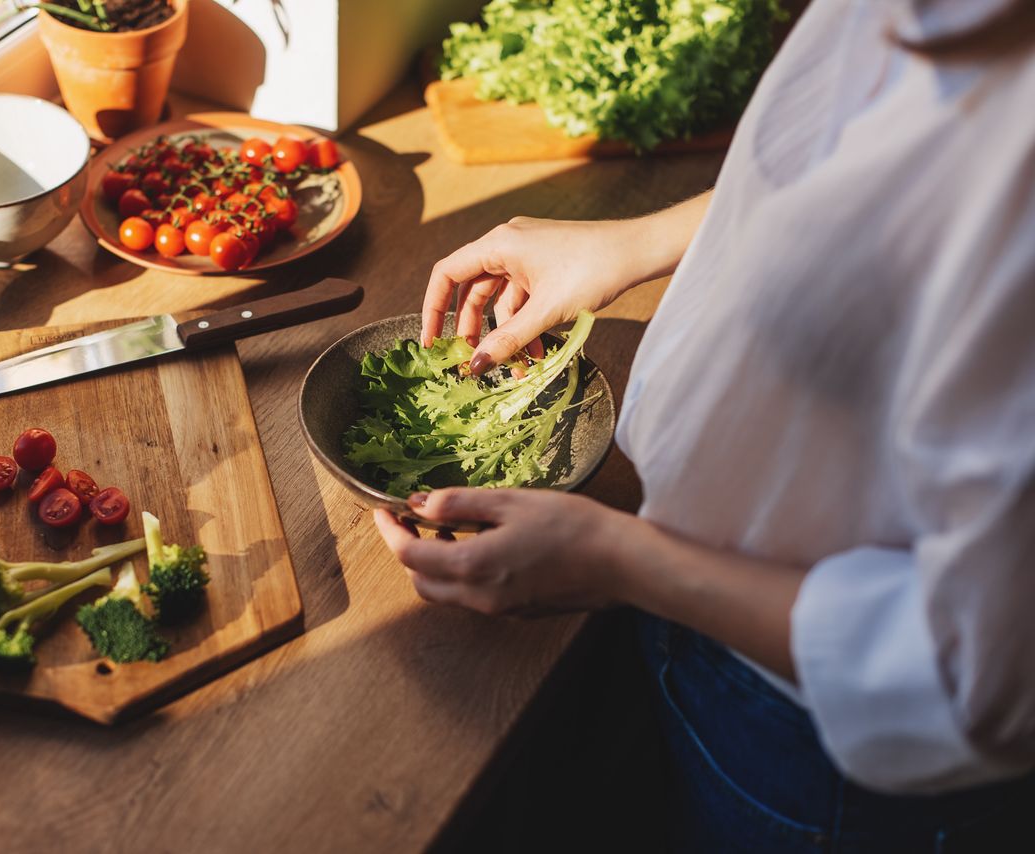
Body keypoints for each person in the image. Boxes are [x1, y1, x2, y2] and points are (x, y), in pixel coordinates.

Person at [373, 0, 1035, 849]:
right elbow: (855, 185)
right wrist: (638, 240)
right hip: (691, 618)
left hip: (819, 756)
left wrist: (619, 559)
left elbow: (979, 681)